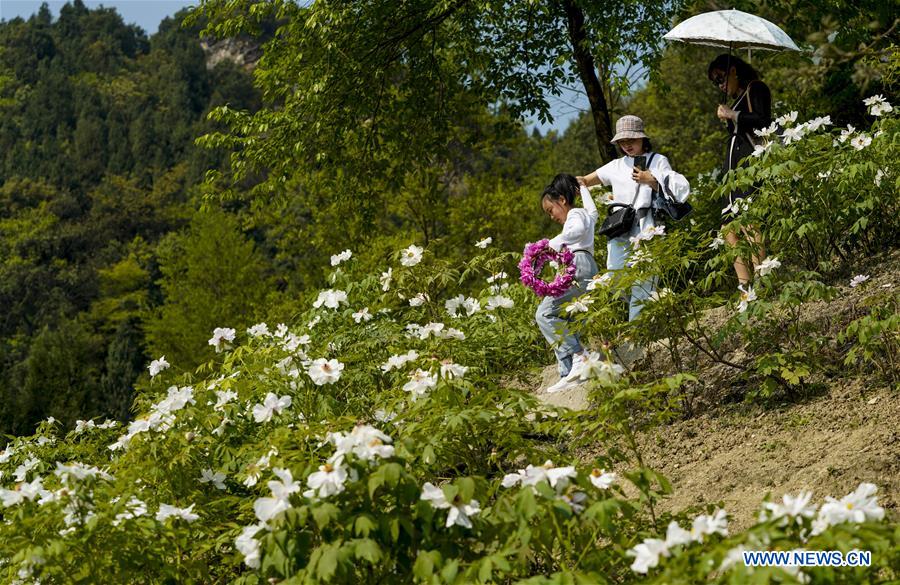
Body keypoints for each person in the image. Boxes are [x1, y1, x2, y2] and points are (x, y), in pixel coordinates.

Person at [577, 115, 690, 322]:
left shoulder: (657, 160)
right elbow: (587, 180)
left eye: (631, 140)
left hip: (648, 226)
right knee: (616, 278)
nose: (627, 145)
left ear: (642, 139)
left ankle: (637, 327)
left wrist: (651, 180)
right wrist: (577, 183)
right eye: (622, 141)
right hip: (620, 228)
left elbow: (675, 188)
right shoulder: (616, 165)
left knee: (646, 278)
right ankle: (647, 317)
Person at [707, 53, 772, 285]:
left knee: (749, 221)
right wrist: (729, 115)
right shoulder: (735, 99)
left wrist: (732, 114)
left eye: (721, 77)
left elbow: (764, 120)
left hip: (748, 161)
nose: (720, 84)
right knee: (728, 228)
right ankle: (744, 286)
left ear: (734, 71)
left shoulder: (756, 88)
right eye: (715, 82)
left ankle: (763, 278)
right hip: (731, 168)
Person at [536, 174, 599, 393]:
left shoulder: (575, 214)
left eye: (550, 210)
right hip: (585, 266)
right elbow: (594, 212)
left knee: (545, 314)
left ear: (562, 200)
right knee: (564, 316)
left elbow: (577, 231)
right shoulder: (584, 213)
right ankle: (568, 371)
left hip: (579, 265)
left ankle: (580, 355)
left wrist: (554, 242)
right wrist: (584, 189)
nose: (551, 217)